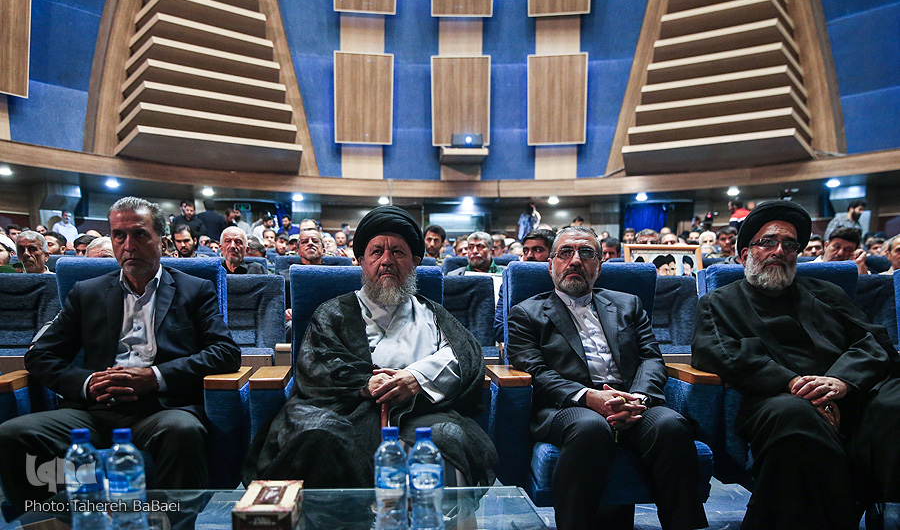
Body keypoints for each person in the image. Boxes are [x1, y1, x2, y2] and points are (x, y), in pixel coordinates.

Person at [0, 197, 241, 515]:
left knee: (183, 431)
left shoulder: (194, 290)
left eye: (139, 234)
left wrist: (155, 377)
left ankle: (170, 523)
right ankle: (52, 522)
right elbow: (40, 356)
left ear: (162, 242)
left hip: (161, 408)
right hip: (93, 409)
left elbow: (225, 352)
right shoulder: (87, 293)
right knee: (13, 434)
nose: (128, 245)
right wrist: (87, 383)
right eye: (119, 235)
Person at [244, 206, 497, 488]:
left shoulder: (432, 314)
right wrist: (365, 383)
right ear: (362, 261)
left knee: (447, 438)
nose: (386, 260)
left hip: (418, 411)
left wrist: (416, 378)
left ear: (414, 262)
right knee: (319, 435)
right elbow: (316, 365)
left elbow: (466, 355)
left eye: (397, 252)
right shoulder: (333, 312)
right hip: (343, 409)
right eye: (377, 252)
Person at [692, 200, 900, 530]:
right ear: (744, 255)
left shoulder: (826, 293)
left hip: (852, 394)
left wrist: (840, 382)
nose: (780, 251)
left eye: (789, 245)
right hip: (778, 398)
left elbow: (873, 341)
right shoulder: (719, 302)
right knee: (794, 417)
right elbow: (716, 353)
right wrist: (796, 384)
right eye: (768, 242)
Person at [507, 226, 708, 530]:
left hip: (633, 400)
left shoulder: (628, 305)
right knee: (591, 427)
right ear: (550, 266)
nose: (575, 260)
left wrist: (638, 399)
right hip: (569, 406)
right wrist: (589, 397)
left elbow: (651, 358)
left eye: (586, 253)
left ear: (599, 267)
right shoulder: (527, 313)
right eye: (565, 252)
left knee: (670, 425)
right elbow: (535, 370)